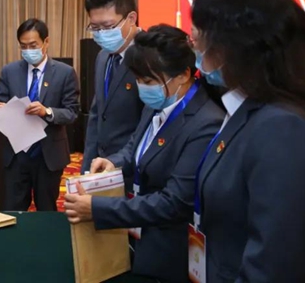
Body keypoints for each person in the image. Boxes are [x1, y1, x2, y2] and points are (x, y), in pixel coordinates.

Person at [189, 0, 305, 282]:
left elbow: (274, 265)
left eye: (201, 33)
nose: (195, 43)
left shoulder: (285, 129)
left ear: (237, 43)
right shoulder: (245, 108)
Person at [64, 25, 224, 283]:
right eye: (137, 80)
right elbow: (136, 146)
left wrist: (97, 208)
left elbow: (174, 202)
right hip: (142, 237)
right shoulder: (158, 103)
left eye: (148, 82)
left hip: (174, 250)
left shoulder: (205, 124)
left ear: (183, 75)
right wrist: (113, 162)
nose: (142, 88)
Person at [0, 18, 80, 211]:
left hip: (48, 154)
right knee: (14, 209)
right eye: (23, 46)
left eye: (33, 45)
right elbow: (0, 102)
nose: (28, 50)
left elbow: (72, 112)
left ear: (46, 42)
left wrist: (47, 111)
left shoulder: (65, 73)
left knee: (46, 208)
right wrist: (4, 111)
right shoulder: (9, 72)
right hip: (17, 154)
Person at [81, 0, 144, 175]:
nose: (101, 34)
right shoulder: (102, 57)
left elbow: (151, 123)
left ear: (131, 18)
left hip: (137, 167)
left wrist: (117, 160)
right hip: (102, 168)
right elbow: (97, 115)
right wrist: (87, 168)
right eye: (95, 27)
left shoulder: (150, 56)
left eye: (108, 26)